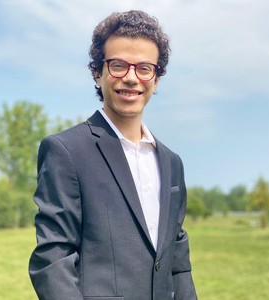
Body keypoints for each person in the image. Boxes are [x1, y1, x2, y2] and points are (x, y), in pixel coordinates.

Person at [29, 10, 197, 300]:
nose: (131, 78)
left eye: (144, 68)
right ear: (98, 71)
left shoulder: (172, 163)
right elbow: (53, 259)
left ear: (156, 79)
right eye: (118, 65)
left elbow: (178, 263)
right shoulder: (65, 151)